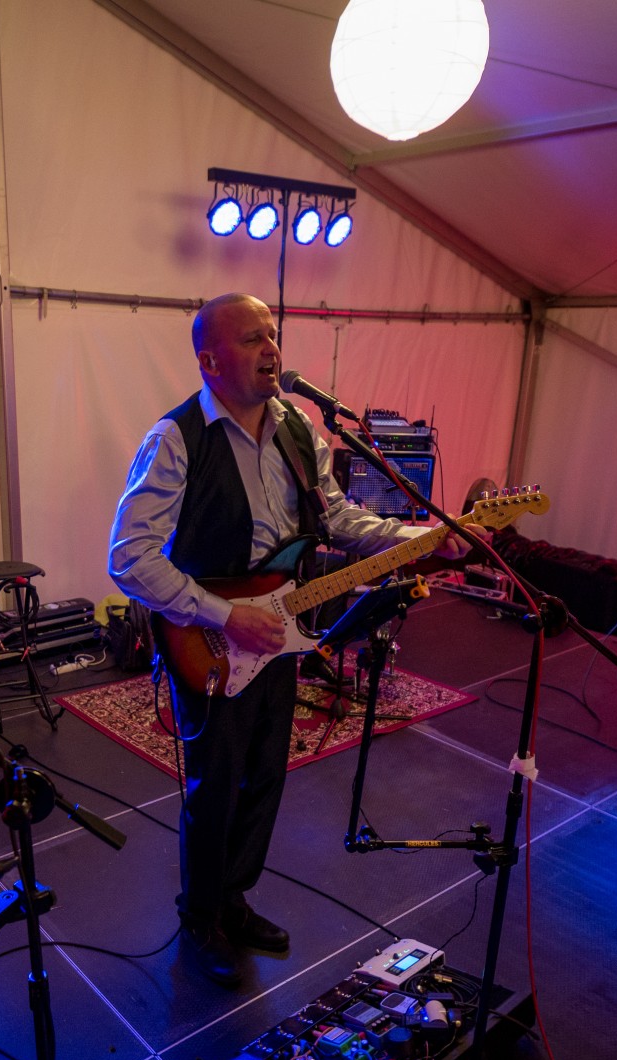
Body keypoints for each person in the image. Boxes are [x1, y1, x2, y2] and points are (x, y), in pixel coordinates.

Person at [107, 293, 436, 987]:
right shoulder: (176, 439)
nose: (272, 349)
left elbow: (337, 517)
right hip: (210, 638)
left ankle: (234, 898)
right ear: (210, 360)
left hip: (282, 628)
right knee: (215, 784)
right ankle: (201, 915)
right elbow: (129, 557)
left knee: (265, 776)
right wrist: (225, 615)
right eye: (253, 338)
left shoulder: (297, 427)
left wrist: (419, 537)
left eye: (273, 334)